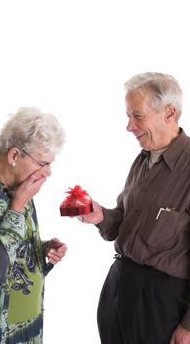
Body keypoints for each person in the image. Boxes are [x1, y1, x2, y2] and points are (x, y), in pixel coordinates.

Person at [78, 72, 190, 344]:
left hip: (160, 301)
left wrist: (188, 326)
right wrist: (100, 215)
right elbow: (123, 220)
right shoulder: (143, 160)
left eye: (137, 116)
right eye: (128, 116)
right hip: (118, 284)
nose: (129, 126)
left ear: (169, 112)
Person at [0, 106, 67, 343]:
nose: (47, 173)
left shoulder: (19, 180)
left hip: (28, 325)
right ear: (14, 155)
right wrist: (17, 205)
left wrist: (40, 248)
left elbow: (10, 239)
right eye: (43, 163)